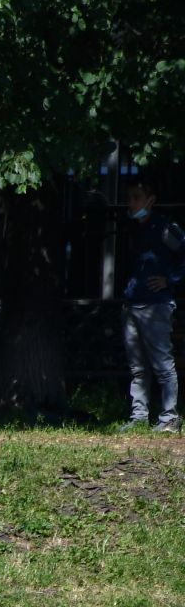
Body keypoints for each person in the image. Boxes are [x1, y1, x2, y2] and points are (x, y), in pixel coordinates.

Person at [118, 179, 184, 433]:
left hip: (155, 305)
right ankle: (139, 416)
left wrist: (170, 279)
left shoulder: (164, 228)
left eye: (136, 197)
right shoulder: (135, 228)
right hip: (133, 302)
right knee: (137, 366)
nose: (130, 203)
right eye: (129, 197)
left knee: (161, 363)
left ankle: (169, 417)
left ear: (150, 200)